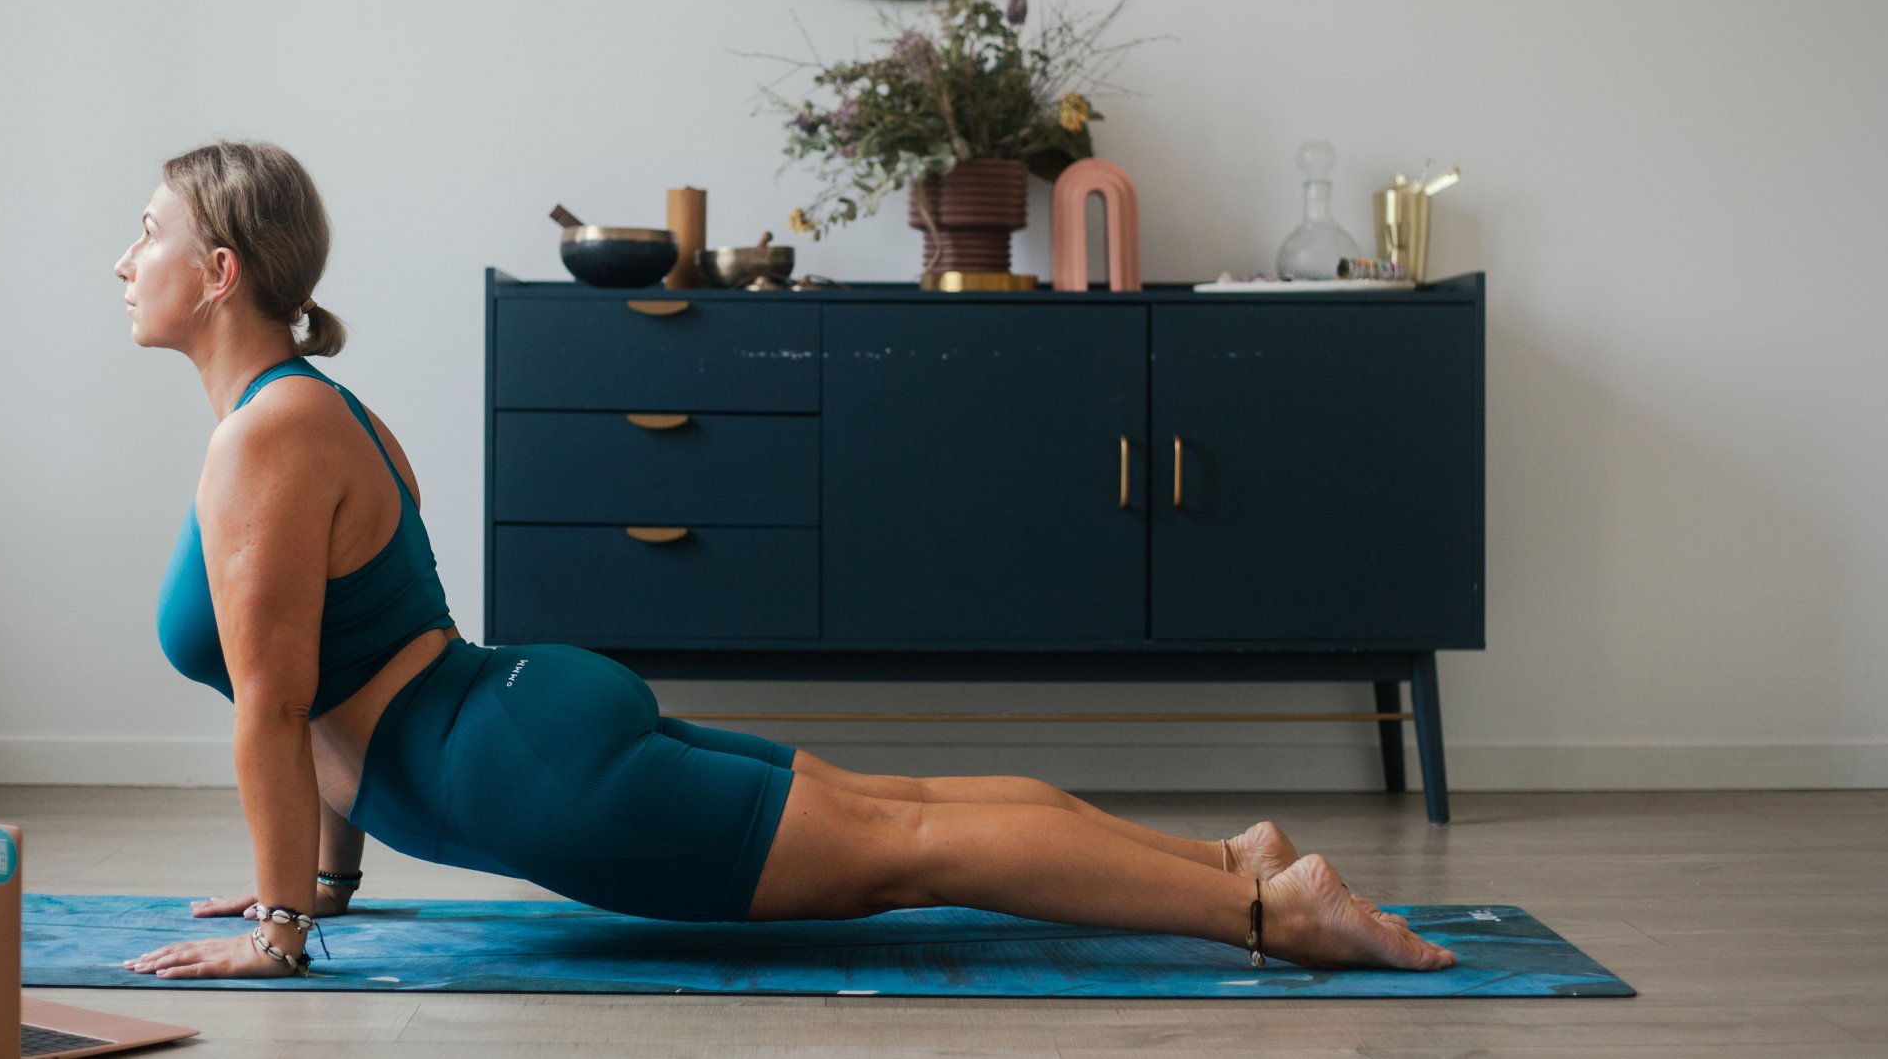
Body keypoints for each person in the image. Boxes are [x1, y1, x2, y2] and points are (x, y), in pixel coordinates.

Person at [111, 139, 1456, 980]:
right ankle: (1232, 858)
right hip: (517, 715)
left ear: (220, 271)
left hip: (519, 770)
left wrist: (281, 928)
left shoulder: (264, 438)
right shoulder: (302, 413)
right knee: (906, 808)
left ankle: (1275, 917)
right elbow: (327, 675)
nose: (127, 260)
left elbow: (280, 707)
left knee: (911, 847)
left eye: (150, 234)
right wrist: (325, 883)